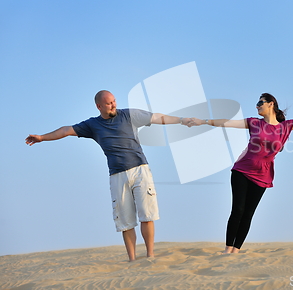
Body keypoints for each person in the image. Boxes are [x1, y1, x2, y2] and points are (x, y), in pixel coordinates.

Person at [25, 90, 193, 262]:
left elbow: (155, 117)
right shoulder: (92, 125)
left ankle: (150, 256)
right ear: (99, 106)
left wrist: (180, 120)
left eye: (114, 101)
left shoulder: (129, 115)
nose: (113, 105)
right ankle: (132, 260)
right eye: (109, 103)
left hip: (140, 170)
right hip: (117, 176)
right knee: (125, 222)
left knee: (147, 215)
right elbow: (66, 130)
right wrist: (42, 137)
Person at [190, 93, 293, 253]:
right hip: (242, 170)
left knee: (248, 213)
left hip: (262, 176)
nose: (257, 106)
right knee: (237, 209)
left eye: (260, 102)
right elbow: (227, 123)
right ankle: (227, 250)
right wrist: (202, 121)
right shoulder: (254, 123)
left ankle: (236, 251)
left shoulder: (285, 127)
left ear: (271, 104)